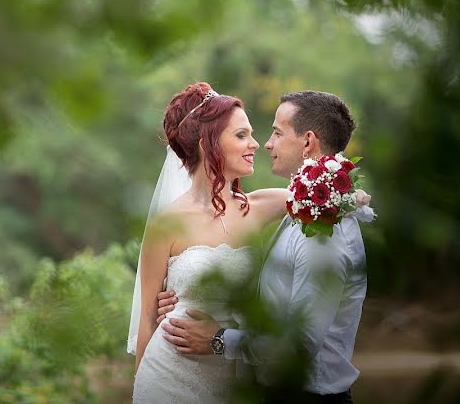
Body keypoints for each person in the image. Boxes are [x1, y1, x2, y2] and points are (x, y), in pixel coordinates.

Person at [156, 91, 368, 403]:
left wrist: (218, 339)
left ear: (307, 141)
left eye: (277, 132)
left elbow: (298, 346)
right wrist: (184, 297)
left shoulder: (325, 229)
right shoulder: (299, 207)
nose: (265, 144)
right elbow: (268, 296)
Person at [130, 82, 290, 403]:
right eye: (241, 135)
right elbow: (147, 318)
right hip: (168, 377)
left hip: (235, 377)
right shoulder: (167, 223)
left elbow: (322, 196)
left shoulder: (261, 207)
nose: (256, 144)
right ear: (207, 143)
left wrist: (349, 193)